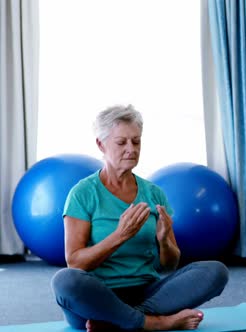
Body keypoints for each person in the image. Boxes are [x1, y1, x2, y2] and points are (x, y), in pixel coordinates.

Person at [51, 105, 229, 332]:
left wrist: (164, 241)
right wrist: (120, 236)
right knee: (65, 281)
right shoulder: (83, 193)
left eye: (136, 141)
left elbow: (170, 264)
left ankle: (119, 323)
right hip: (97, 297)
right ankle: (155, 323)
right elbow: (75, 262)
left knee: (215, 271)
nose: (131, 149)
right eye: (121, 142)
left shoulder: (154, 193)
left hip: (148, 292)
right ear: (101, 144)